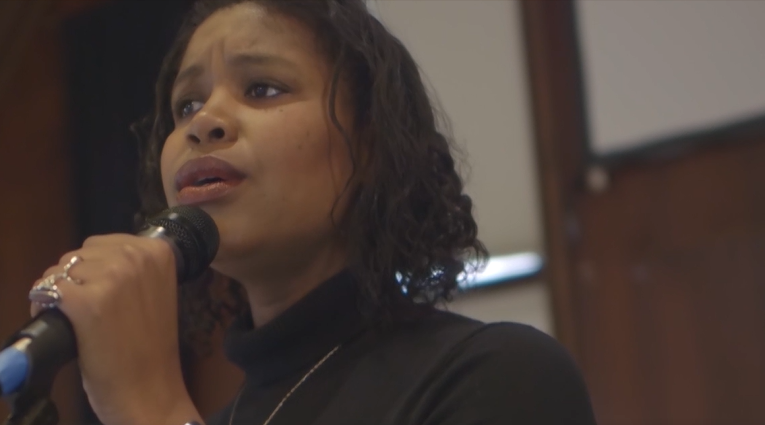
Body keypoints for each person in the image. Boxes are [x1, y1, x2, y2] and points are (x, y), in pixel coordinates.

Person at [29, 0, 598, 424]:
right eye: (188, 104)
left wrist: (150, 409)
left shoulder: (499, 376)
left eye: (262, 89)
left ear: (371, 145)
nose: (204, 123)